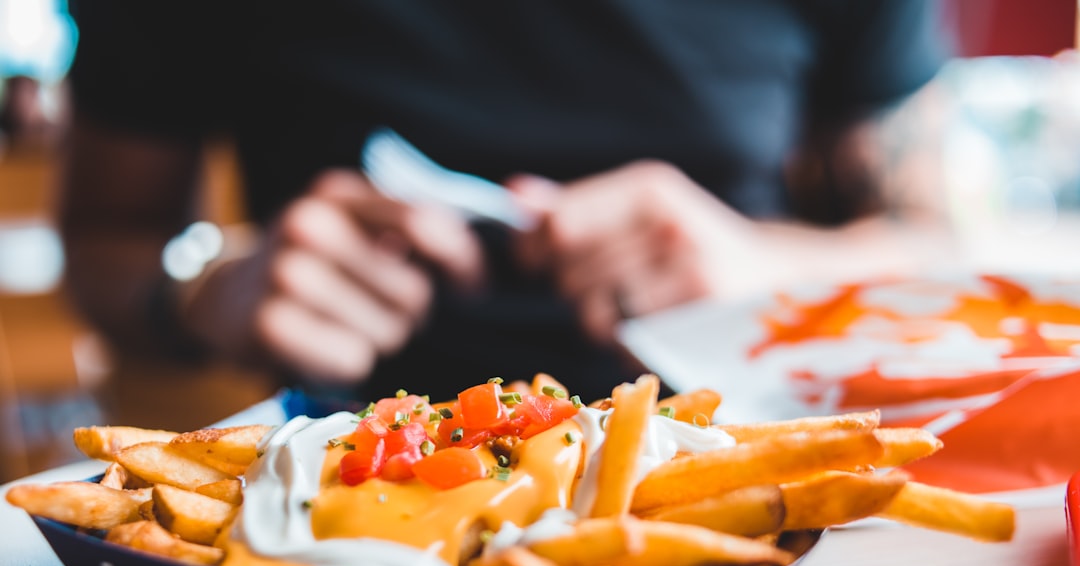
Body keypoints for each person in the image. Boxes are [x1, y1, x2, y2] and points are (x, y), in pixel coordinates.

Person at [58, 0, 953, 404]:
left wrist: (770, 274)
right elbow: (103, 237)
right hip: (346, 516)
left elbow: (936, 240)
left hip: (759, 490)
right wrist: (213, 285)